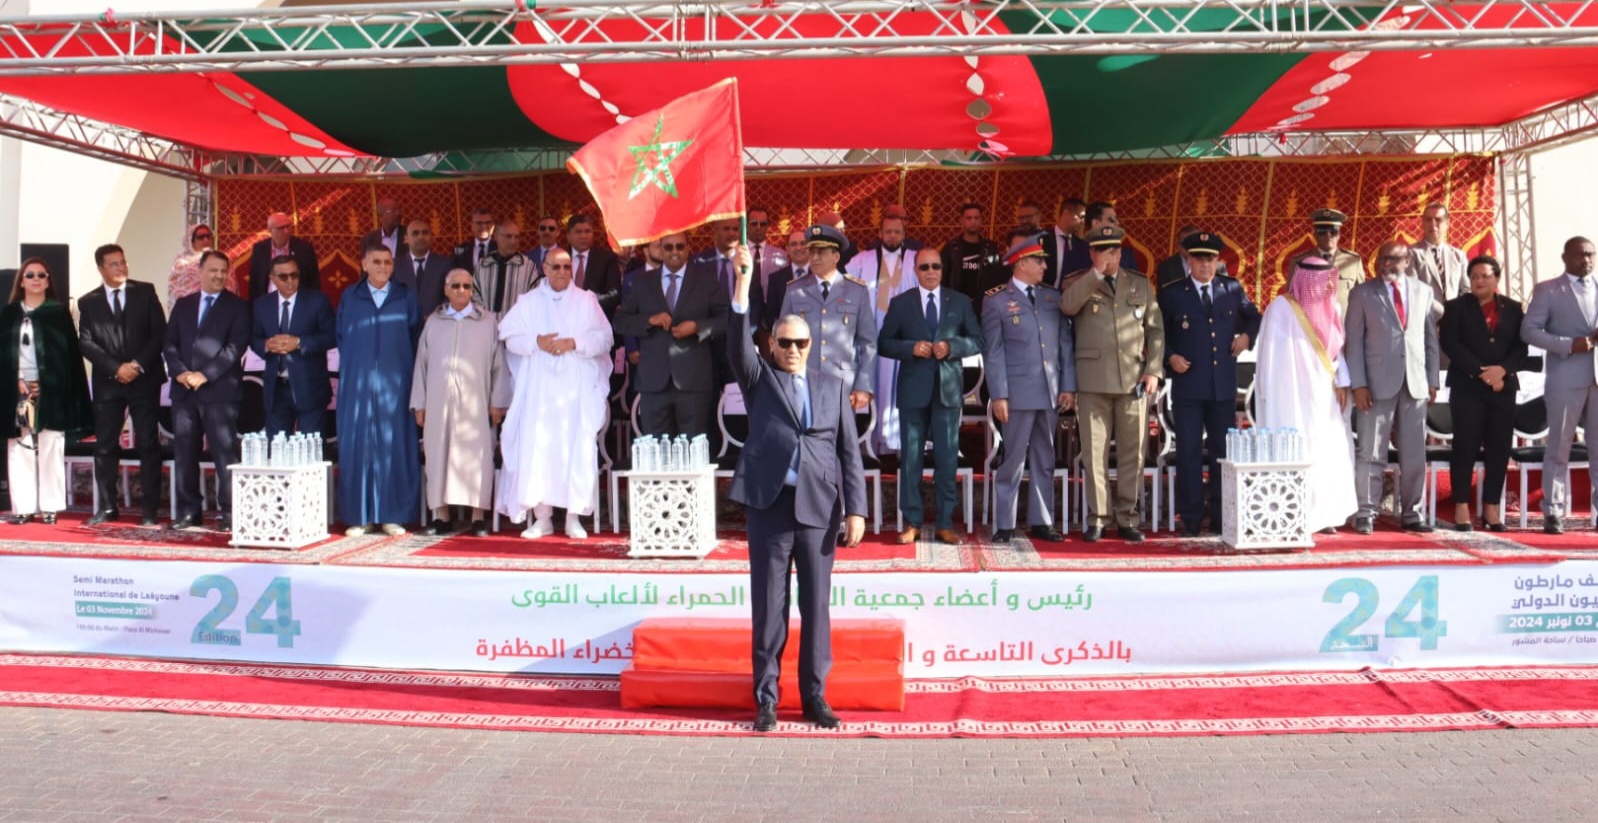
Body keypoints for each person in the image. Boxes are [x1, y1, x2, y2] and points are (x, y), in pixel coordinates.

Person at [728, 247, 866, 733]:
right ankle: (766, 698)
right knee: (769, 608)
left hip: (819, 509)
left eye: (800, 343)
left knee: (816, 607)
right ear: (772, 344)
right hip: (770, 506)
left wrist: (857, 510)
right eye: (784, 342)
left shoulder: (833, 386)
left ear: (811, 345)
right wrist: (743, 286)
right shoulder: (759, 379)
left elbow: (849, 452)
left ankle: (814, 697)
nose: (792, 350)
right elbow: (737, 346)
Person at [497, 250, 614, 539]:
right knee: (538, 449)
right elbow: (508, 337)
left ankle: (573, 517)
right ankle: (543, 518)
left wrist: (574, 343)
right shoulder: (528, 302)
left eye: (566, 266)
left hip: (575, 391)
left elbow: (605, 339)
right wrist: (537, 341)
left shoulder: (586, 301)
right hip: (539, 392)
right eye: (556, 266)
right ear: (545, 268)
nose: (562, 271)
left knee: (575, 448)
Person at [1060, 225, 1163, 542]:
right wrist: (1095, 274)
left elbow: (1155, 330)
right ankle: (1098, 517)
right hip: (1093, 382)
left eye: (1115, 250)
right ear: (1092, 253)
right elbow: (1067, 306)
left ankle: (1128, 517)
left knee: (1133, 453)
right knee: (1094, 454)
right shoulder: (1078, 282)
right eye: (1104, 251)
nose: (1111, 256)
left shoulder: (1139, 283)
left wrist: (1153, 370)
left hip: (1133, 381)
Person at [1157, 232, 1260, 537]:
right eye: (1199, 259)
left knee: (1221, 453)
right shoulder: (1173, 293)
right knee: (1188, 452)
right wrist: (1170, 356)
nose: (1205, 265)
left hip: (1222, 387)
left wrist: (1246, 337)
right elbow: (1157, 333)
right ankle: (1190, 517)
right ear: (1188, 260)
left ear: (1218, 260)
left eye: (1211, 259)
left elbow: (1254, 318)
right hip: (1188, 386)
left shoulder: (1231, 288)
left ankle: (1220, 515)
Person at [878, 247, 983, 545]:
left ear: (942, 269)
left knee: (947, 459)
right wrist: (910, 348)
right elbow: (884, 343)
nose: (931, 272)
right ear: (915, 270)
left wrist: (952, 347)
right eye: (924, 267)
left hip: (947, 391)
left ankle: (944, 523)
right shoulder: (901, 303)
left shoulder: (959, 302)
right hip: (914, 391)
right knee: (911, 459)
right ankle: (912, 522)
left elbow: (978, 340)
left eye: (935, 266)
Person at [1254, 257, 1357, 534]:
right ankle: (1296, 512)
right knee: (1299, 450)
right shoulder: (1281, 309)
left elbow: (1338, 353)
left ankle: (1326, 514)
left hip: (1326, 396)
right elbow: (1272, 358)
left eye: (1330, 280)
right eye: (1323, 281)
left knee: (1327, 451)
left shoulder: (1333, 306)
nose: (1329, 287)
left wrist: (1342, 381)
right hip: (1292, 395)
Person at [984, 235, 1075, 543]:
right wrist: (999, 394)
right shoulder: (997, 300)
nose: (1044, 266)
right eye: (1039, 261)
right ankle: (1004, 523)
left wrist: (1068, 386)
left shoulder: (1052, 297)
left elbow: (1064, 344)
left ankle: (1042, 520)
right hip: (1017, 393)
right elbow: (994, 352)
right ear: (1021, 263)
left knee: (1045, 457)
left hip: (1049, 391)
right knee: (1012, 460)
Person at [1346, 241, 1440, 533]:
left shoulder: (1423, 292)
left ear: (1407, 261)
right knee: (1371, 451)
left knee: (1414, 454)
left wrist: (1432, 379)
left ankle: (1412, 513)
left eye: (1393, 259)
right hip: (1375, 385)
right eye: (1382, 259)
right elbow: (1353, 343)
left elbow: (1429, 339)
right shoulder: (1362, 293)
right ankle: (1366, 512)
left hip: (1415, 384)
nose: (1385, 264)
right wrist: (1359, 384)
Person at [411, 268, 511, 538]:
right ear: (446, 289)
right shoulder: (434, 322)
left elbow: (499, 365)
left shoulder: (487, 322)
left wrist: (498, 402)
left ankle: (478, 517)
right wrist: (419, 403)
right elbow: (421, 364)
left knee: (477, 459)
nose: (461, 291)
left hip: (476, 404)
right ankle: (440, 516)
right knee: (438, 457)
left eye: (466, 286)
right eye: (455, 286)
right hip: (438, 404)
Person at [78, 244, 167, 527]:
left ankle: (149, 509)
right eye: (114, 264)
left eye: (123, 262)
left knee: (148, 443)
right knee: (105, 445)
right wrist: (116, 368)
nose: (121, 268)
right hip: (109, 383)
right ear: (101, 269)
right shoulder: (88, 302)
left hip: (144, 380)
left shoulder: (145, 291)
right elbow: (86, 342)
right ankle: (107, 506)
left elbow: (159, 334)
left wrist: (136, 365)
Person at [336, 243, 422, 537]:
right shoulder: (351, 296)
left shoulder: (405, 296)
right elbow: (341, 337)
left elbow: (415, 337)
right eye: (377, 262)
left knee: (394, 446)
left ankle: (392, 515)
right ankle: (359, 516)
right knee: (357, 446)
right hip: (357, 385)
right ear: (364, 264)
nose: (383, 267)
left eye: (387, 262)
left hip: (395, 385)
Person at [163, 250, 250, 533]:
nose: (219, 276)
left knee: (225, 455)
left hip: (219, 393)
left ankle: (230, 512)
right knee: (185, 453)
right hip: (185, 392)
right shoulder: (184, 304)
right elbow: (169, 344)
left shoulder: (237, 307)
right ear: (200, 272)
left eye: (223, 271)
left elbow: (234, 348)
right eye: (213, 270)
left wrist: (205, 375)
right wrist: (181, 373)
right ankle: (189, 511)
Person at [0, 257, 90, 525]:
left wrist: (48, 381)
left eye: (42, 275)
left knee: (51, 443)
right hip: (17, 387)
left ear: (49, 281)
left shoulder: (58, 313)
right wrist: (16, 380)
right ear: (21, 281)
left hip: (50, 387)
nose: (36, 279)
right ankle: (23, 507)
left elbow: (68, 356)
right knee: (20, 445)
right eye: (30, 275)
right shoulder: (9, 314)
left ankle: (51, 506)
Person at [1440, 255, 1525, 532]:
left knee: (1499, 448)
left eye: (1485, 276)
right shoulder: (1456, 307)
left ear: (1496, 278)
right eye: (1474, 276)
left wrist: (1503, 371)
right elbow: (1450, 343)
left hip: (1503, 386)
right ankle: (1461, 506)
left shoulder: (1513, 308)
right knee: (1465, 445)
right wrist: (1481, 372)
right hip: (1467, 386)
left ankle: (1491, 507)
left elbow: (1520, 347)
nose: (1479, 281)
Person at [613, 232, 727, 438]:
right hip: (653, 380)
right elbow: (621, 322)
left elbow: (726, 319)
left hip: (693, 380)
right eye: (668, 247)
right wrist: (649, 320)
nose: (675, 252)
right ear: (660, 250)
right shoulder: (641, 282)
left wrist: (698, 327)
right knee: (656, 450)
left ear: (688, 249)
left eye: (680, 246)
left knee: (693, 448)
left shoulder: (706, 280)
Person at [1521, 236, 1598, 535]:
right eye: (1580, 255)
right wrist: (1568, 345)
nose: (1586, 260)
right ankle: (1553, 510)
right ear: (1565, 257)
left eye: (1591, 254)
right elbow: (1529, 331)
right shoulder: (1548, 290)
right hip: (1566, 377)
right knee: (1559, 446)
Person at [780, 224, 877, 412]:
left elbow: (868, 342)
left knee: (841, 431)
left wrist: (863, 386)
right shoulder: (795, 290)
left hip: (843, 385)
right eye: (812, 252)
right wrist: (785, 380)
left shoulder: (856, 291)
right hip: (803, 381)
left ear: (836, 256)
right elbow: (782, 339)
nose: (815, 258)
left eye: (821, 252)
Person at [250, 256, 336, 437]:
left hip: (310, 388)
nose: (290, 280)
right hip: (276, 389)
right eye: (283, 277)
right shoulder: (262, 304)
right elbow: (254, 337)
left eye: (294, 275)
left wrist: (298, 343)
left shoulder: (318, 301)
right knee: (277, 449)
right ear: (272, 279)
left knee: (309, 450)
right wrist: (266, 345)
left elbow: (332, 336)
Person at [1287, 208, 1364, 313]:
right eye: (1322, 232)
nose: (1328, 236)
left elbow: (1361, 296)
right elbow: (1291, 297)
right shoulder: (1301, 262)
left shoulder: (1352, 261)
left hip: (1343, 321)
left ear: (1339, 235)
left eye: (1333, 232)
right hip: (1310, 320)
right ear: (1315, 235)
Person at [1409, 202, 1469, 321]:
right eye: (1428, 220)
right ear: (1422, 223)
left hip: (1455, 321)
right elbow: (1413, 289)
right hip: (1426, 320)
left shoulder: (1459, 255)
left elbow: (1467, 289)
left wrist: (1457, 313)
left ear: (1447, 223)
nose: (1433, 224)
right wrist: (1440, 313)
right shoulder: (1411, 254)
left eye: (1438, 220)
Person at [940, 203, 1005, 311]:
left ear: (981, 220)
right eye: (969, 218)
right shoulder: (951, 248)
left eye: (976, 218)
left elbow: (997, 277)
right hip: (955, 305)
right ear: (961, 220)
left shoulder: (990, 249)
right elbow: (942, 277)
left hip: (983, 306)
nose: (973, 222)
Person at [473, 220, 539, 318]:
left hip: (517, 324)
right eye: (508, 236)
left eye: (516, 237)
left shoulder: (528, 267)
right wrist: (485, 319)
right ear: (496, 236)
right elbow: (474, 297)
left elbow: (535, 297)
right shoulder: (482, 266)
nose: (513, 241)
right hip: (486, 323)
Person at [248, 212, 320, 299]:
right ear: (270, 230)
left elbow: (313, 280)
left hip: (297, 300)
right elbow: (254, 282)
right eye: (281, 228)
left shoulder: (304, 249)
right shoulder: (260, 249)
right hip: (268, 300)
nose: (286, 231)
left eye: (288, 227)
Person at [565, 214, 624, 316]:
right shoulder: (559, 258)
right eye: (578, 232)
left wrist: (588, 300)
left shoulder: (606, 259)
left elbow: (614, 295)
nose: (583, 236)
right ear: (568, 236)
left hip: (595, 317)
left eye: (587, 231)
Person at [393, 219, 452, 317]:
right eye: (415, 233)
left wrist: (436, 317)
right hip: (403, 322)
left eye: (425, 233)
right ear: (406, 238)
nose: (421, 237)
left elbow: (450, 295)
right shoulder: (395, 265)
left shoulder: (445, 264)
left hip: (436, 321)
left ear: (431, 236)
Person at [167, 224, 212, 311]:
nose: (206, 240)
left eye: (208, 236)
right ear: (191, 241)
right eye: (201, 237)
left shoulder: (221, 260)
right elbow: (175, 292)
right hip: (188, 310)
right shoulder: (180, 263)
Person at [1043, 197, 1087, 286]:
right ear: (1066, 213)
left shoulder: (1081, 245)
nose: (1082, 222)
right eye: (1081, 217)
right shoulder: (1043, 239)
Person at [452, 208, 497, 273]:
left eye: (487, 223)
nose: (484, 227)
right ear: (472, 225)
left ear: (493, 226)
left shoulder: (501, 249)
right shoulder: (459, 251)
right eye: (479, 223)